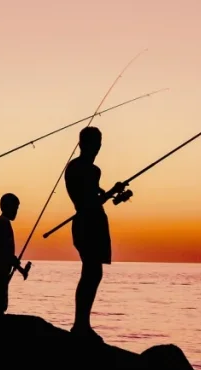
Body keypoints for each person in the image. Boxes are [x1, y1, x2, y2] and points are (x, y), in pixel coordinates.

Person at [64, 126, 129, 341]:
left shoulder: (74, 167)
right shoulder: (90, 170)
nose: (98, 147)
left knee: (92, 272)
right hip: (90, 223)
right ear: (84, 144)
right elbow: (90, 201)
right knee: (91, 273)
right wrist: (110, 192)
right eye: (95, 142)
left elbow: (91, 195)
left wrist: (110, 192)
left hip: (85, 222)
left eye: (99, 143)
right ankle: (81, 325)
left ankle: (82, 324)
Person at [0, 193, 31, 317]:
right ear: (6, 207)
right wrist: (11, 260)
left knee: (0, 305)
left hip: (0, 269)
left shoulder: (4, 223)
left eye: (17, 208)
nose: (16, 211)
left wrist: (20, 268)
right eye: (14, 208)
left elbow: (6, 252)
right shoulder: (2, 223)